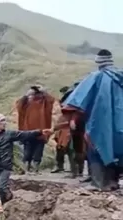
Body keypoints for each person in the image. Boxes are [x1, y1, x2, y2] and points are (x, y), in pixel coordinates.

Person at [60, 49, 123, 191]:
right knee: (117, 149)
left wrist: (74, 119)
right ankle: (113, 182)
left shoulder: (96, 77)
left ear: (98, 61)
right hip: (120, 123)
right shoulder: (120, 76)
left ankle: (99, 183)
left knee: (97, 148)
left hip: (100, 121)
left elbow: (80, 99)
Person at [0, 113, 53, 204]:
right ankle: (5, 205)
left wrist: (39, 132)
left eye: (5, 120)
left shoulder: (9, 134)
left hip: (5, 167)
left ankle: (10, 198)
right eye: (2, 121)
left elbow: (25, 134)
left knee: (1, 186)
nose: (5, 123)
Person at [13, 85, 55, 173]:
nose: (35, 95)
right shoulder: (26, 104)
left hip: (41, 132)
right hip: (28, 132)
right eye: (33, 93)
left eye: (36, 93)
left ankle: (35, 168)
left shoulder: (44, 104)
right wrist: (26, 95)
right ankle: (27, 168)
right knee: (27, 150)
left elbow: (51, 100)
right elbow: (19, 104)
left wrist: (44, 92)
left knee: (38, 151)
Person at [52, 85, 86, 179]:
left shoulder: (80, 102)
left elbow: (77, 114)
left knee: (77, 149)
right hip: (70, 128)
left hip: (79, 128)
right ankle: (75, 171)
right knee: (71, 149)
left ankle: (78, 171)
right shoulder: (68, 103)